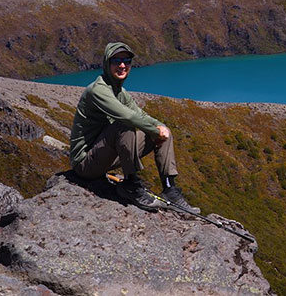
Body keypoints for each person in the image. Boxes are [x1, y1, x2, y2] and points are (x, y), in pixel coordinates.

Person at [69, 42, 198, 213]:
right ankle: (130, 184)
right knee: (124, 125)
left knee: (162, 130)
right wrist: (154, 130)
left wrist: (159, 128)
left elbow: (141, 115)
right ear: (107, 63)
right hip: (85, 164)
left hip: (104, 157)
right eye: (116, 61)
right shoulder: (97, 90)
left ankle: (169, 189)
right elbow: (128, 116)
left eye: (126, 60)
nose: (122, 65)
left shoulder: (120, 93)